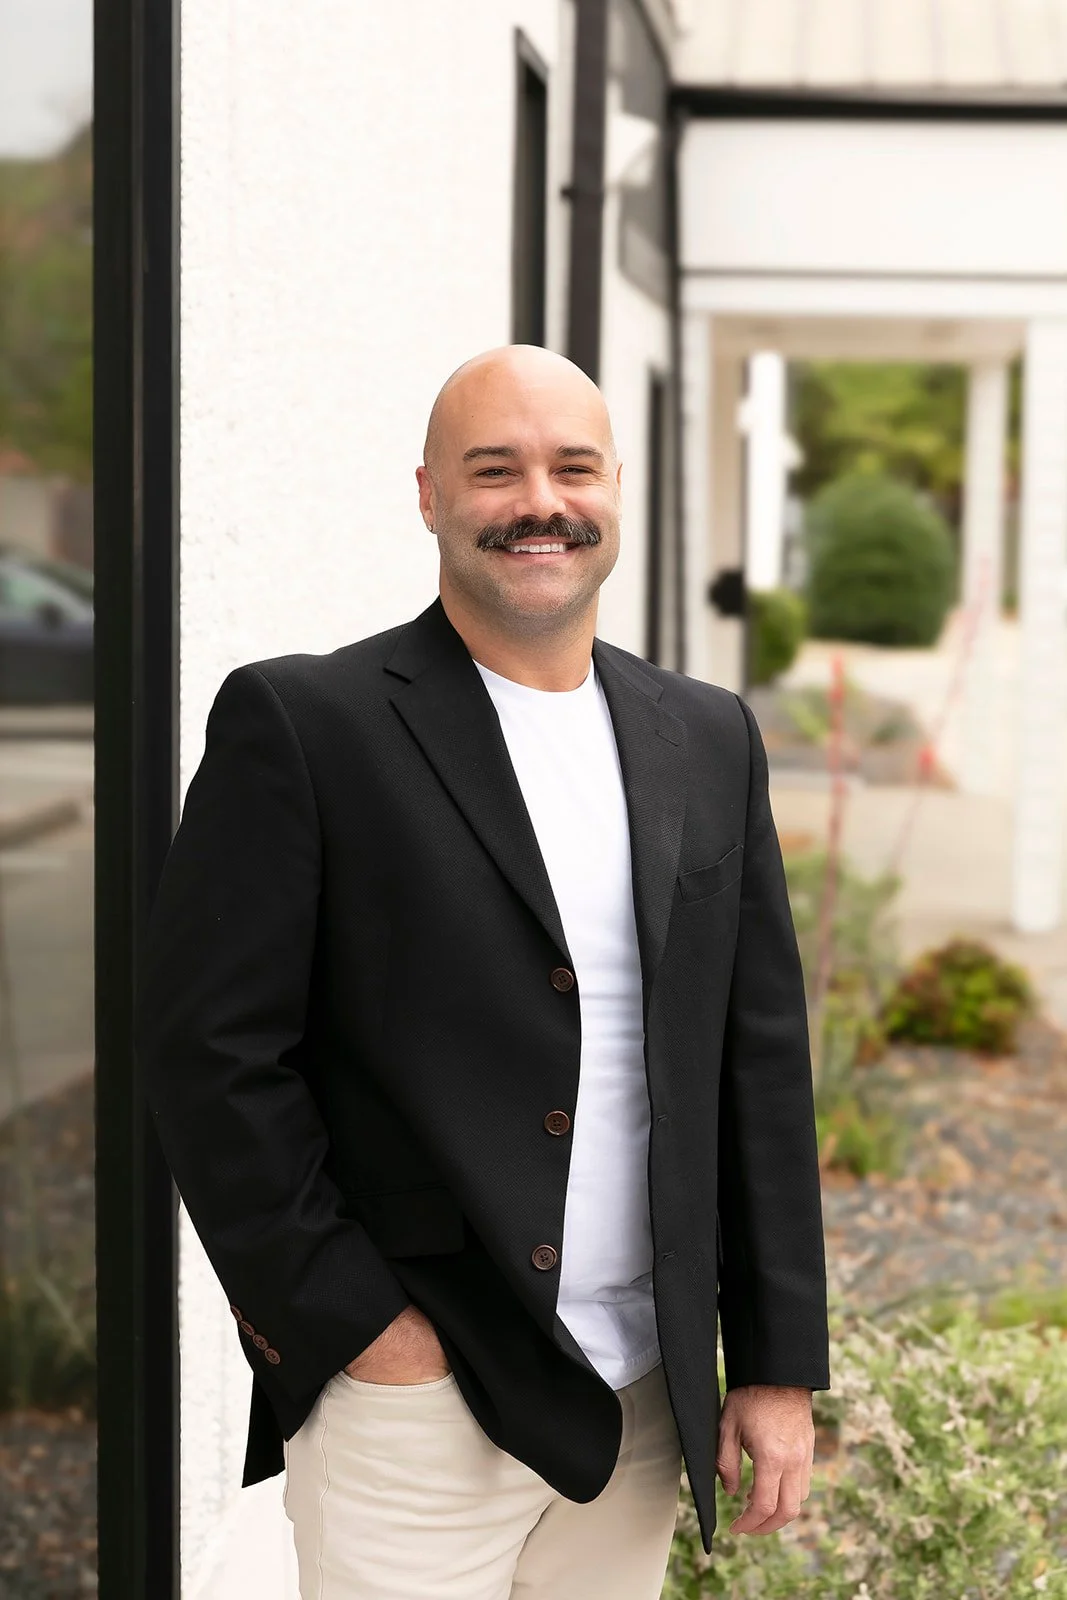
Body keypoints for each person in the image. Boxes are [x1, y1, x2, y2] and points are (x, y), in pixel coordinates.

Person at [136, 344, 830, 1599]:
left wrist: (775, 1364)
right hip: (413, 1400)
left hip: (637, 1404)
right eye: (492, 470)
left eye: (571, 466)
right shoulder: (304, 725)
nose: (537, 503)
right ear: (427, 496)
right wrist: (357, 1330)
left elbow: (755, 1062)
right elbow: (210, 1056)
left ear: (614, 485)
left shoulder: (707, 736)